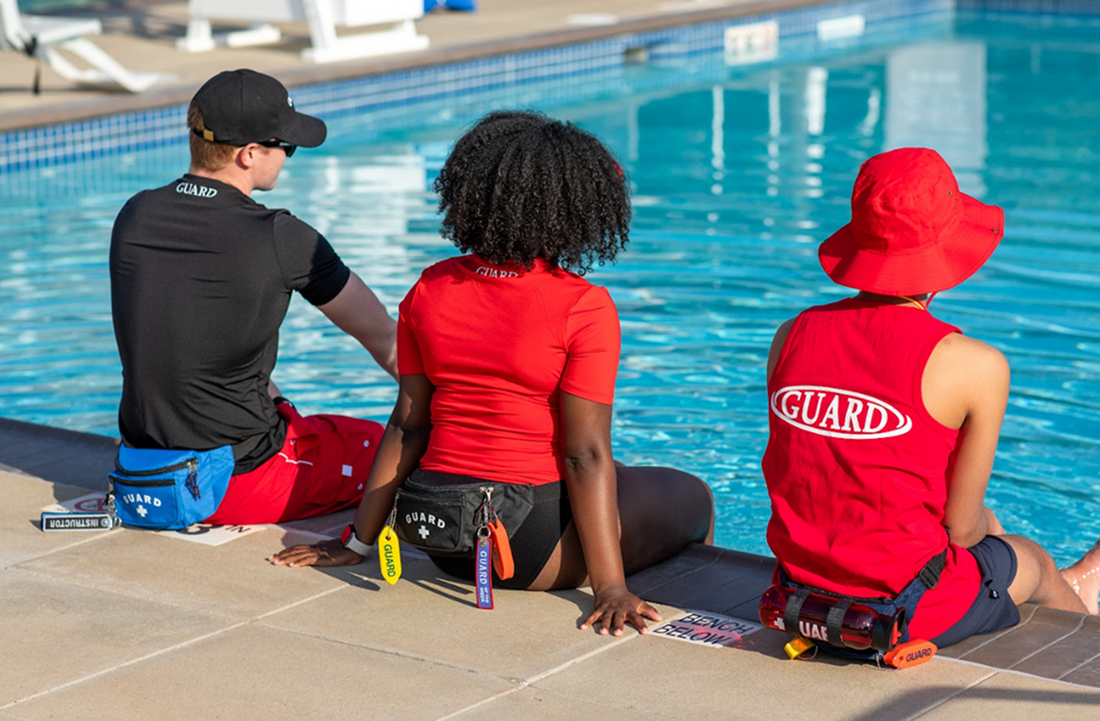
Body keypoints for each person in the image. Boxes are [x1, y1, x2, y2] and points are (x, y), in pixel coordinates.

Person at [270, 110, 714, 635]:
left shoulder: (429, 288)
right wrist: (611, 588)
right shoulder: (584, 306)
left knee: (626, 481)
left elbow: (407, 426)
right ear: (576, 209)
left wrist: (356, 543)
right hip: (529, 550)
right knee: (693, 495)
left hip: (437, 536)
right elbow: (584, 454)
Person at [762, 147, 1100, 650]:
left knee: (993, 547)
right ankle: (1078, 613)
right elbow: (960, 530)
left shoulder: (790, 335)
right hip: (902, 610)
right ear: (947, 251)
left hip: (794, 595)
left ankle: (1075, 581)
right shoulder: (975, 365)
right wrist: (989, 526)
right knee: (1029, 558)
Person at [110, 69, 396, 526]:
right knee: (382, 448)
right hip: (232, 484)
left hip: (140, 472)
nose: (287, 156)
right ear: (248, 155)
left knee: (278, 399)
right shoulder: (282, 237)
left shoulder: (134, 215)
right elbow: (388, 342)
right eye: (286, 146)